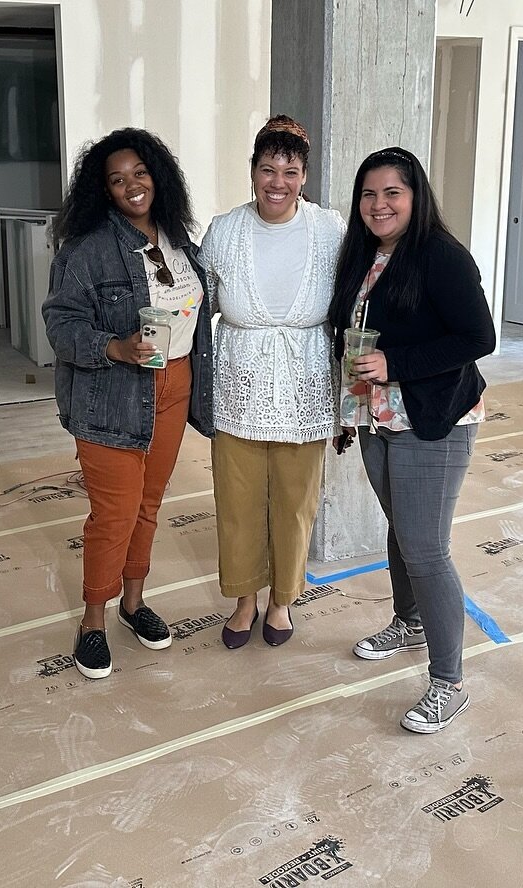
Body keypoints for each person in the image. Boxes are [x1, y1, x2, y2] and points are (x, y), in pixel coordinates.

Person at [331, 146, 495, 733]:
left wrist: (393, 363)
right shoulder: (365, 255)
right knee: (402, 530)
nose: (379, 204)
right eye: (369, 194)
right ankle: (410, 621)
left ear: (415, 196)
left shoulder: (443, 257)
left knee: (426, 548)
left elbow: (479, 336)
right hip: (376, 416)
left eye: (392, 193)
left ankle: (449, 683)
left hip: (433, 417)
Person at [42, 128, 214, 680]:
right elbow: (61, 325)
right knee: (113, 515)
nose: (131, 186)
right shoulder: (85, 251)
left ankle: (133, 605)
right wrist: (111, 347)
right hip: (111, 394)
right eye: (117, 180)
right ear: (103, 190)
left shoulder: (180, 242)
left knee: (148, 505)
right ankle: (94, 621)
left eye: (139, 173)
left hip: (175, 385)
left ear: (158, 176)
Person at [201, 116, 344, 649]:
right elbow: (201, 305)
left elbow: (355, 301)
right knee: (237, 502)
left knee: (295, 500)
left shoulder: (330, 229)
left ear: (304, 175)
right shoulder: (224, 229)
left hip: (306, 385)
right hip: (240, 382)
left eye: (290, 170)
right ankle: (245, 601)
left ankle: (282, 602)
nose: (277, 182)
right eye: (268, 169)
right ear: (253, 172)